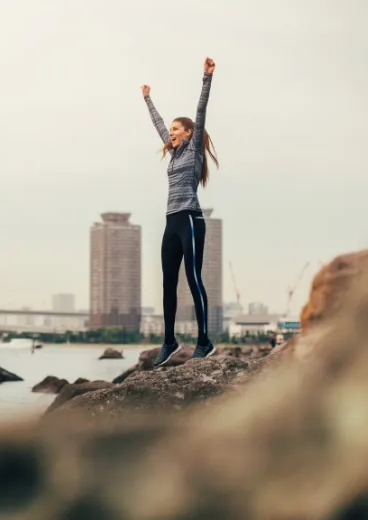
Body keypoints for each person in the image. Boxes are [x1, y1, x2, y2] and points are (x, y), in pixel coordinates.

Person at [142, 57, 220, 366]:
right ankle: (170, 341)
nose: (171, 132)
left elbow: (200, 112)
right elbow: (158, 124)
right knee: (167, 282)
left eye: (176, 129)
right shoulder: (173, 154)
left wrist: (206, 77)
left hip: (190, 218)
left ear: (188, 133)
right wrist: (147, 98)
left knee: (193, 277)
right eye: (171, 129)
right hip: (171, 221)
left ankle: (204, 341)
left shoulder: (193, 148)